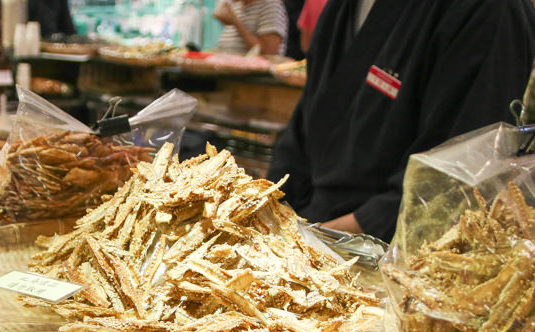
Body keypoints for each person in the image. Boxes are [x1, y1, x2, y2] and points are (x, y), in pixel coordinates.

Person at [267, 0, 535, 241]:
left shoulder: (489, 12)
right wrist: (266, 216)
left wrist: (314, 242)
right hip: (307, 233)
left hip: (386, 260)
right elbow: (301, 134)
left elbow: (456, 183)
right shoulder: (342, 8)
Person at [213, 0, 288, 56]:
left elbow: (268, 53)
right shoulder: (235, 6)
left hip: (252, 76)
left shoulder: (270, 5)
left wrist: (236, 23)